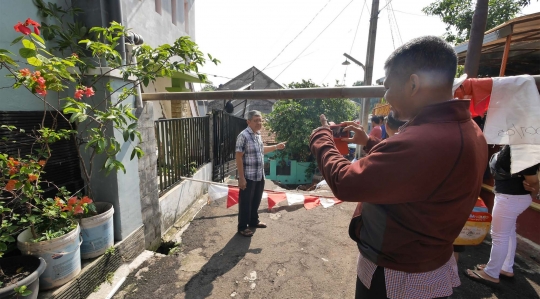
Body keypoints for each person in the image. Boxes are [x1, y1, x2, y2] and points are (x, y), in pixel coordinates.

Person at [309, 36, 488, 299]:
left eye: (388, 86)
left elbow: (346, 182)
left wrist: (321, 136)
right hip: (428, 260)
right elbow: (411, 172)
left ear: (413, 84)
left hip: (398, 275)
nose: (386, 96)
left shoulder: (425, 141)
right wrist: (370, 142)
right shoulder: (468, 129)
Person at [466, 145, 540, 285]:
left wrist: (535, 189)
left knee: (499, 236)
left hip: (511, 198)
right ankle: (505, 267)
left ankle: (491, 273)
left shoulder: (524, 146)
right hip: (511, 197)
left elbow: (532, 180)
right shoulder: (520, 143)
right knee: (508, 233)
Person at [235, 110, 285, 237]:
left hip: (259, 174)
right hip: (248, 175)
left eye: (260, 120)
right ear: (248, 122)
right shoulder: (243, 136)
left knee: (256, 200)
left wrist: (276, 147)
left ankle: (253, 221)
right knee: (246, 202)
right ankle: (242, 227)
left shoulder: (257, 135)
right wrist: (241, 178)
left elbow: (261, 150)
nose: (259, 123)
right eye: (256, 120)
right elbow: (238, 156)